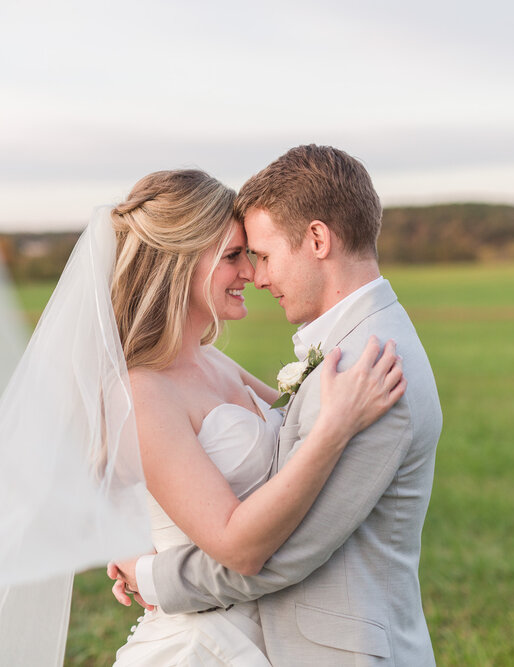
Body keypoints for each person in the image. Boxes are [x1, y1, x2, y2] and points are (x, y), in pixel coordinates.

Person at [112, 145, 443, 666]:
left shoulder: (368, 367)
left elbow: (279, 553)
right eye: (236, 256)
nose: (254, 275)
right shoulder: (352, 355)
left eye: (258, 254)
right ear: (180, 264)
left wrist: (154, 575)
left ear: (317, 239)